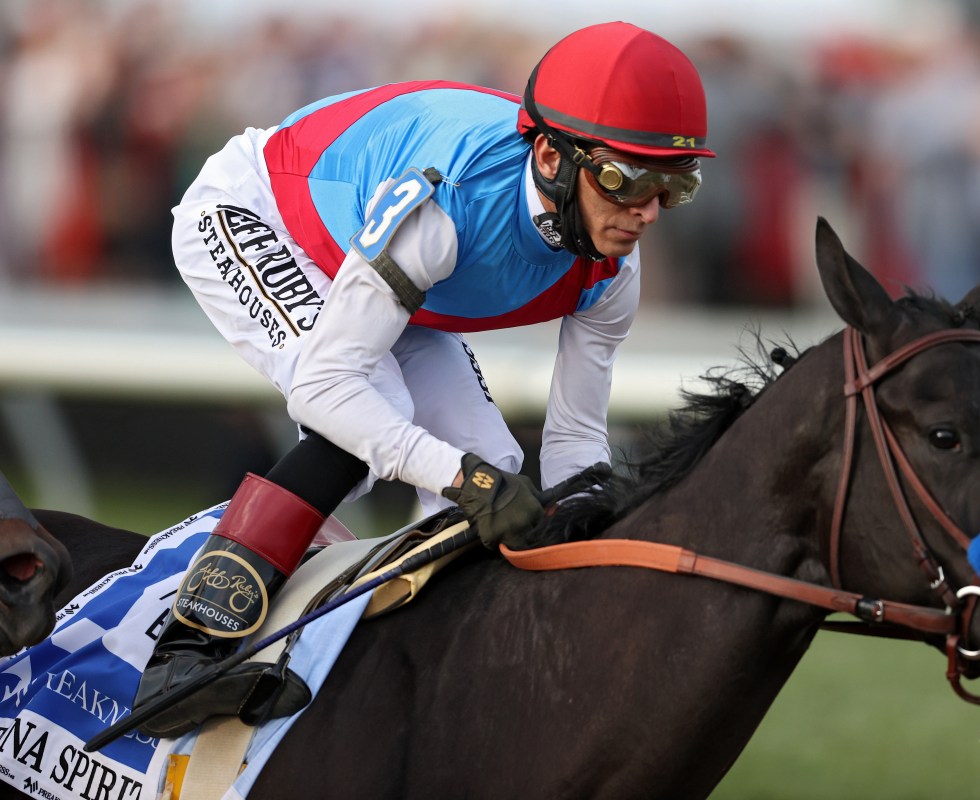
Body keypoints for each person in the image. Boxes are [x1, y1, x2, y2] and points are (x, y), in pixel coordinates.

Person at [131, 21, 714, 738]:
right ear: (553, 159)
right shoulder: (449, 204)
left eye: (673, 187)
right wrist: (465, 482)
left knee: (497, 462)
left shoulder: (613, 269)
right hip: (258, 210)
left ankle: (408, 659)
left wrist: (587, 539)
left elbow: (575, 442)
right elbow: (326, 390)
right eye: (627, 180)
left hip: (382, 278)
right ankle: (186, 654)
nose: (647, 212)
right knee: (376, 417)